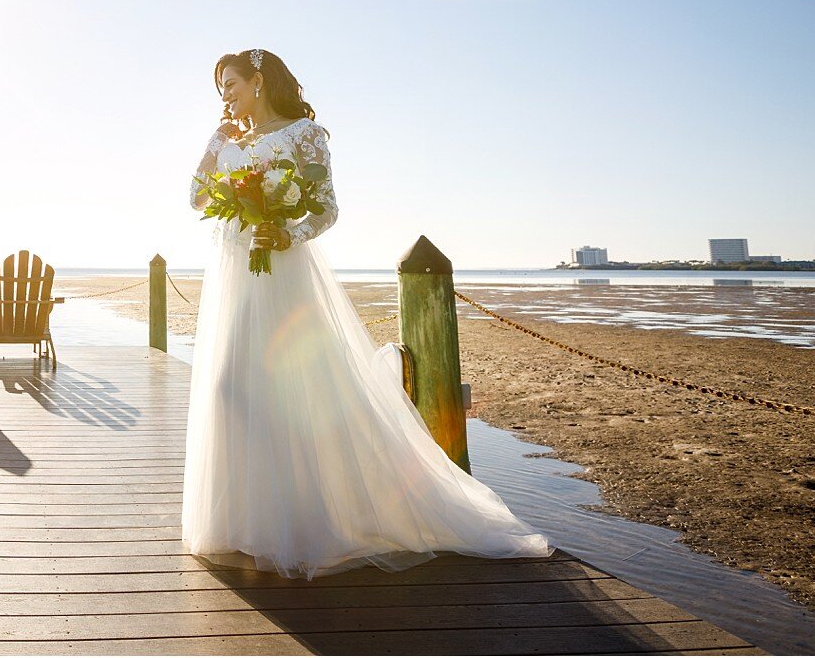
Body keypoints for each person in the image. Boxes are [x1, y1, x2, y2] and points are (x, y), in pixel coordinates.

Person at [180, 47, 555, 579]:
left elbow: (327, 207)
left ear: (258, 81)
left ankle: (305, 524)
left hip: (284, 275)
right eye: (220, 88)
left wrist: (287, 231)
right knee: (229, 386)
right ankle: (249, 522)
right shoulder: (229, 140)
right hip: (236, 274)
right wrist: (217, 138)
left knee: (298, 394)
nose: (226, 95)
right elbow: (196, 197)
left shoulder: (304, 135)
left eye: (232, 83)